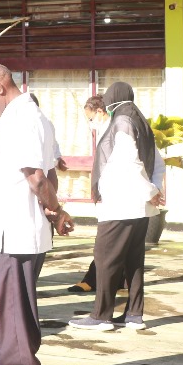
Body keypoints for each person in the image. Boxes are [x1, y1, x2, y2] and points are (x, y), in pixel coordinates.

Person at [0, 63, 73, 365]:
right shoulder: (12, 118)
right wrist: (53, 208)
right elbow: (48, 172)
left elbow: (39, 178)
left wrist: (55, 209)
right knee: (4, 300)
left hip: (14, 229)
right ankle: (4, 362)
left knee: (15, 303)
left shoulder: (25, 118)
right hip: (2, 229)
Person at [68, 83, 164, 332]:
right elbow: (158, 163)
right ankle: (134, 315)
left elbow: (131, 163)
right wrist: (153, 189)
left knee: (105, 259)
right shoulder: (140, 122)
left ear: (112, 100)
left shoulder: (122, 122)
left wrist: (151, 192)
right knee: (134, 262)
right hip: (139, 208)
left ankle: (101, 316)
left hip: (121, 206)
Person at [69, 95, 110, 294]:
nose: (91, 123)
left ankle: (93, 279)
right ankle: (120, 279)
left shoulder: (114, 129)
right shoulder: (105, 130)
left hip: (117, 198)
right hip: (110, 195)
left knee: (104, 242)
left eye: (91, 118)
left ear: (100, 111)